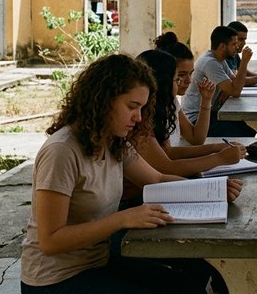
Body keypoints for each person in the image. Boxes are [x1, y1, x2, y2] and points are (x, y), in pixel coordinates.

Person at [20, 54, 243, 293]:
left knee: (186, 286)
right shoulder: (61, 152)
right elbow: (51, 240)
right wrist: (123, 218)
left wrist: (213, 191)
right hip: (55, 278)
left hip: (99, 260)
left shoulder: (114, 142)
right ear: (103, 101)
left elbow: (156, 178)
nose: (138, 118)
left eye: (142, 108)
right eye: (132, 107)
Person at [135, 49, 246, 177]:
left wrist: (216, 148)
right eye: (178, 79)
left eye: (190, 74)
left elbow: (170, 151)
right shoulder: (140, 121)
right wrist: (220, 158)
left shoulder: (165, 106)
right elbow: (167, 168)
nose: (186, 81)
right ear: (161, 83)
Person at [181, 25, 257, 137]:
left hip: (210, 114)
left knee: (248, 131)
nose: (237, 47)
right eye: (234, 44)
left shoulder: (220, 61)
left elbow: (236, 82)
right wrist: (244, 62)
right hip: (196, 119)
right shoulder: (210, 63)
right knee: (243, 135)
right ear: (222, 46)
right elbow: (235, 91)